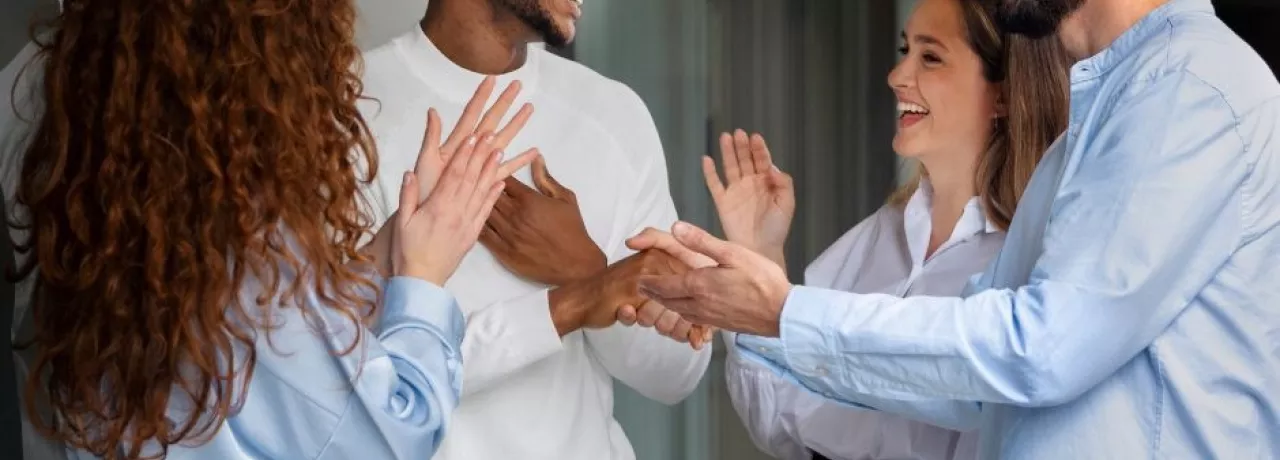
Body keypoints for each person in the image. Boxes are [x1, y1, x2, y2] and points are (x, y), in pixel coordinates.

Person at [633, 0, 1280, 458]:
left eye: (932, 57)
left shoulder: (1188, 87)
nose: (900, 75)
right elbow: (971, 390)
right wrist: (744, 311)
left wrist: (779, 312)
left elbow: (1039, 349)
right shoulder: (1091, 131)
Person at [0, 2, 536, 458]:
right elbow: (390, 431)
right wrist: (422, 278)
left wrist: (394, 246)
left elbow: (276, 356)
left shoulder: (71, 152)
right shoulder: (246, 242)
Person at [695, 0, 1069, 458]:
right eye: (904, 49)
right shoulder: (881, 233)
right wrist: (760, 254)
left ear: (1005, 94)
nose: (897, 75)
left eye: (930, 57)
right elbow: (780, 426)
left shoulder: (1033, 261)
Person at [354, 0, 712, 458]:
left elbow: (676, 375)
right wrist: (572, 302)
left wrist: (585, 270)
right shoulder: (344, 112)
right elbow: (342, 380)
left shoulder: (614, 113)